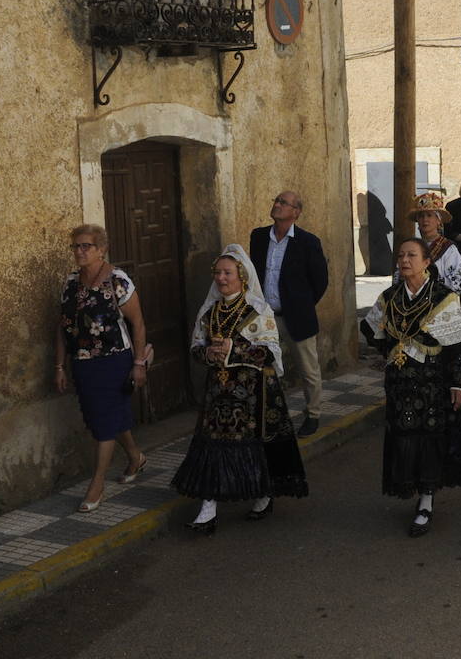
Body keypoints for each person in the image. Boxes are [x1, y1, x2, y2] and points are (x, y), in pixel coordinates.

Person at [171, 246, 308, 532]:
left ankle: (262, 495)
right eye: (217, 273)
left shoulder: (257, 310)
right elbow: (197, 347)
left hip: (252, 393)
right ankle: (208, 509)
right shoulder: (209, 312)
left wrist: (235, 348)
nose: (221, 278)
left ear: (242, 277)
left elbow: (270, 352)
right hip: (217, 393)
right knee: (213, 447)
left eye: (227, 273)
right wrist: (207, 355)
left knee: (252, 448)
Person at [362, 238, 461, 537]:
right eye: (401, 255)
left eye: (412, 255)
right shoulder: (390, 296)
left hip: (431, 381)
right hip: (399, 381)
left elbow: (456, 344)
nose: (404, 260)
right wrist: (390, 350)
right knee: (403, 432)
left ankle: (426, 498)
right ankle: (412, 485)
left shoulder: (442, 297)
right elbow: (370, 329)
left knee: (428, 436)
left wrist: (457, 383)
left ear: (427, 262)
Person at [56, 224, 150, 512]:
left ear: (101, 249)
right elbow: (62, 328)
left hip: (115, 360)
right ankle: (136, 456)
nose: (80, 252)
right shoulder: (71, 284)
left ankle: (97, 483)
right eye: (76, 246)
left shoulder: (118, 280)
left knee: (105, 424)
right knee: (105, 416)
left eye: (86, 246)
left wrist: (138, 364)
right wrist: (59, 365)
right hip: (83, 363)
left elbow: (138, 324)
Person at [250, 190, 328, 437]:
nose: (277, 204)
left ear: (296, 212)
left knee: (308, 369)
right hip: (266, 318)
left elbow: (320, 282)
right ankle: (269, 415)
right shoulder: (259, 237)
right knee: (265, 368)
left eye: (284, 203)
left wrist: (301, 304)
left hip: (296, 317)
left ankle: (313, 414)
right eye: (276, 200)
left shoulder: (308, 242)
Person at [407, 190, 461, 393]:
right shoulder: (413, 247)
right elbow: (399, 277)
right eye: (421, 216)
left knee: (445, 358)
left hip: (440, 312)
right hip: (415, 312)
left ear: (439, 221)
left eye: (430, 215)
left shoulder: (448, 249)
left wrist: (437, 298)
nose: (425, 220)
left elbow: (460, 279)